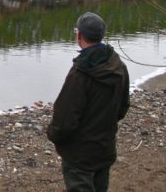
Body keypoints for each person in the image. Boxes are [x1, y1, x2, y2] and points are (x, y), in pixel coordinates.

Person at [47, 12, 130, 192]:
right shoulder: (118, 66)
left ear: (79, 35)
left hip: (79, 155)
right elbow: (122, 107)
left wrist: (52, 134)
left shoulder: (79, 74)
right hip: (105, 147)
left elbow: (64, 120)